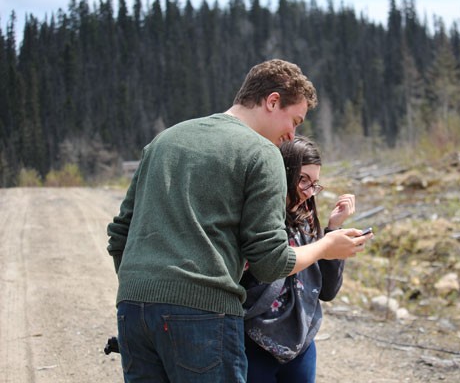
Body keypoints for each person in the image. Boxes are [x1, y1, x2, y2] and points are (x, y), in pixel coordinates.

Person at [106, 59, 372, 383]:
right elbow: (271, 262)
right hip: (203, 314)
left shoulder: (164, 140)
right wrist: (326, 246)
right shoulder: (262, 153)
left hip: (133, 311)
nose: (292, 135)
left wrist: (144, 287)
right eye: (295, 120)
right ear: (273, 101)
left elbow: (121, 232)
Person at [242, 136, 357, 383]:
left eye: (314, 184)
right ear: (281, 173)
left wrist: (333, 229)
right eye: (302, 179)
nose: (307, 191)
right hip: (252, 340)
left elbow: (327, 291)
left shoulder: (306, 222)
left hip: (301, 343)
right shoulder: (258, 219)